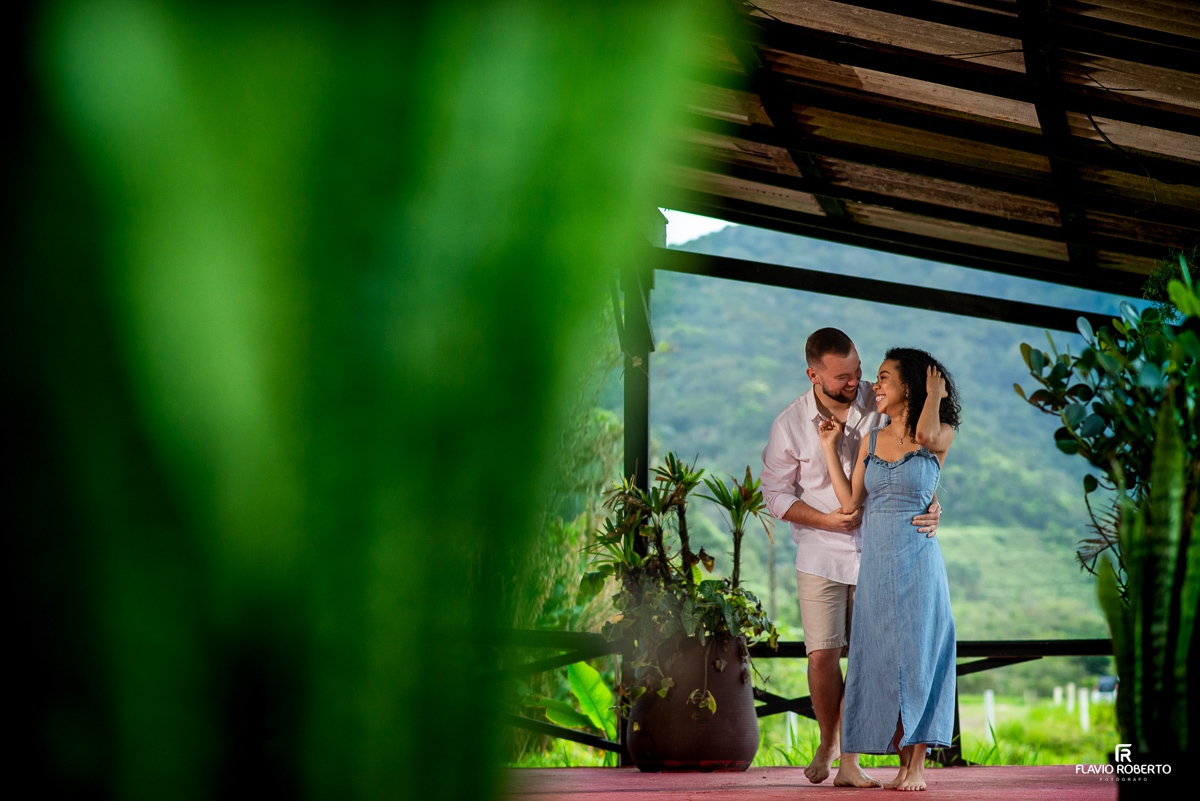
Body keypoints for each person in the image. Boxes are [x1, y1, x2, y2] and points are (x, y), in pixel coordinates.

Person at [760, 329, 941, 788]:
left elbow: (919, 462)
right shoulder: (789, 424)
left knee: (875, 656)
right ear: (813, 374)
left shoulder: (881, 401)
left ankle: (877, 758)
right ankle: (831, 741)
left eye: (859, 370)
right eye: (843, 376)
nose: (856, 381)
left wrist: (933, 505)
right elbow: (775, 496)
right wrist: (827, 521)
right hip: (820, 553)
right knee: (823, 655)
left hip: (880, 552)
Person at [817, 348, 960, 792]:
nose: (875, 386)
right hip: (876, 566)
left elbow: (926, 433)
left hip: (919, 562)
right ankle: (852, 760)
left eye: (884, 379)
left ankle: (914, 767)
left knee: (919, 659)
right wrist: (828, 449)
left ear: (911, 388)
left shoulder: (939, 434)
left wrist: (933, 396)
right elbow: (850, 503)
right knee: (871, 657)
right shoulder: (871, 439)